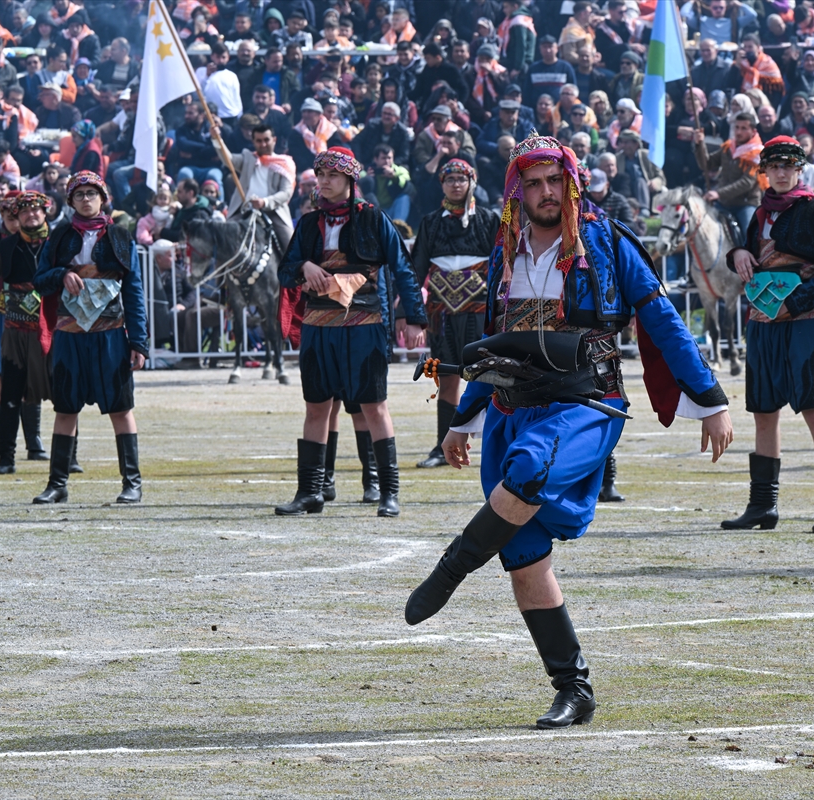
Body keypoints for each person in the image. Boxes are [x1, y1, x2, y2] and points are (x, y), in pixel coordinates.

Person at [403, 134, 733, 729]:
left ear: (571, 181)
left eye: (554, 180)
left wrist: (710, 398)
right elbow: (496, 346)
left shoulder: (608, 240)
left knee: (530, 466)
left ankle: (451, 568)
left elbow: (662, 319)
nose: (546, 192)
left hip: (587, 402)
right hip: (512, 407)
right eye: (533, 183)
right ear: (518, 191)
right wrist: (461, 420)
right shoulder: (505, 250)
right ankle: (573, 689)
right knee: (523, 556)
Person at [276, 147, 427, 518]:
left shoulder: (373, 218)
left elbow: (403, 268)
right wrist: (306, 267)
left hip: (364, 325)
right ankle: (310, 492)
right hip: (317, 327)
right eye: (320, 175)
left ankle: (388, 492)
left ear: (350, 179)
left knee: (374, 405)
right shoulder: (308, 224)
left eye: (332, 175)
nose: (324, 182)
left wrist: (414, 317)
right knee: (316, 406)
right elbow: (285, 270)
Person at [723, 136, 814, 534]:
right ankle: (763, 506)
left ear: (799, 169)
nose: (780, 172)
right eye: (773, 166)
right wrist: (737, 253)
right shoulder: (760, 213)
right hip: (761, 325)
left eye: (787, 166)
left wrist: (793, 304)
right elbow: (748, 254)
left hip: (803, 323)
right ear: (765, 171)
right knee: (763, 412)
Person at [32, 172, 147, 505]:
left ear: (103, 198)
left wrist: (139, 342)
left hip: (111, 337)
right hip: (70, 337)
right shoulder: (58, 236)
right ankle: (57, 484)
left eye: (91, 193)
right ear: (70, 201)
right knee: (65, 408)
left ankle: (132, 483)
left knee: (120, 407)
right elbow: (40, 280)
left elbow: (134, 291)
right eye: (79, 194)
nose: (86, 199)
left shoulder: (121, 236)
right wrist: (61, 274)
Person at [410, 159, 499, 469]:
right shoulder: (430, 222)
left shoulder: (489, 219)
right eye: (450, 179)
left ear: (472, 182)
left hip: (481, 313)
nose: (456, 184)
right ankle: (442, 447)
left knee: (490, 377)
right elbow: (417, 268)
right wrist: (410, 313)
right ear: (441, 184)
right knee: (447, 378)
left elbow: (502, 265)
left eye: (462, 179)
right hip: (442, 314)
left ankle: (496, 445)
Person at [0, 191, 56, 475]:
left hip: (54, 329)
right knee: (10, 394)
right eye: (23, 211)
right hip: (15, 333)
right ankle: (6, 458)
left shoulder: (58, 243)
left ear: (45, 212)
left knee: (64, 394)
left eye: (35, 210)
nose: (30, 215)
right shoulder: (6, 245)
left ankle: (67, 458)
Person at [210, 122, 296, 252]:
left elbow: (286, 193)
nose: (263, 144)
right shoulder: (249, 158)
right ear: (253, 142)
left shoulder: (284, 163)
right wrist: (217, 139)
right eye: (259, 141)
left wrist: (264, 202)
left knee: (292, 248)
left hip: (273, 211)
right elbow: (229, 160)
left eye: (266, 140)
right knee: (223, 241)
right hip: (245, 210)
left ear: (274, 140)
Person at [693, 112, 763, 244]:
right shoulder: (728, 148)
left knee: (750, 235)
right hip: (723, 203)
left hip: (745, 204)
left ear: (753, 131)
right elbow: (706, 164)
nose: (739, 132)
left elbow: (746, 183)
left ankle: (754, 257)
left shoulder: (757, 153)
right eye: (737, 127)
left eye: (744, 128)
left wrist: (718, 193)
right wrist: (699, 144)